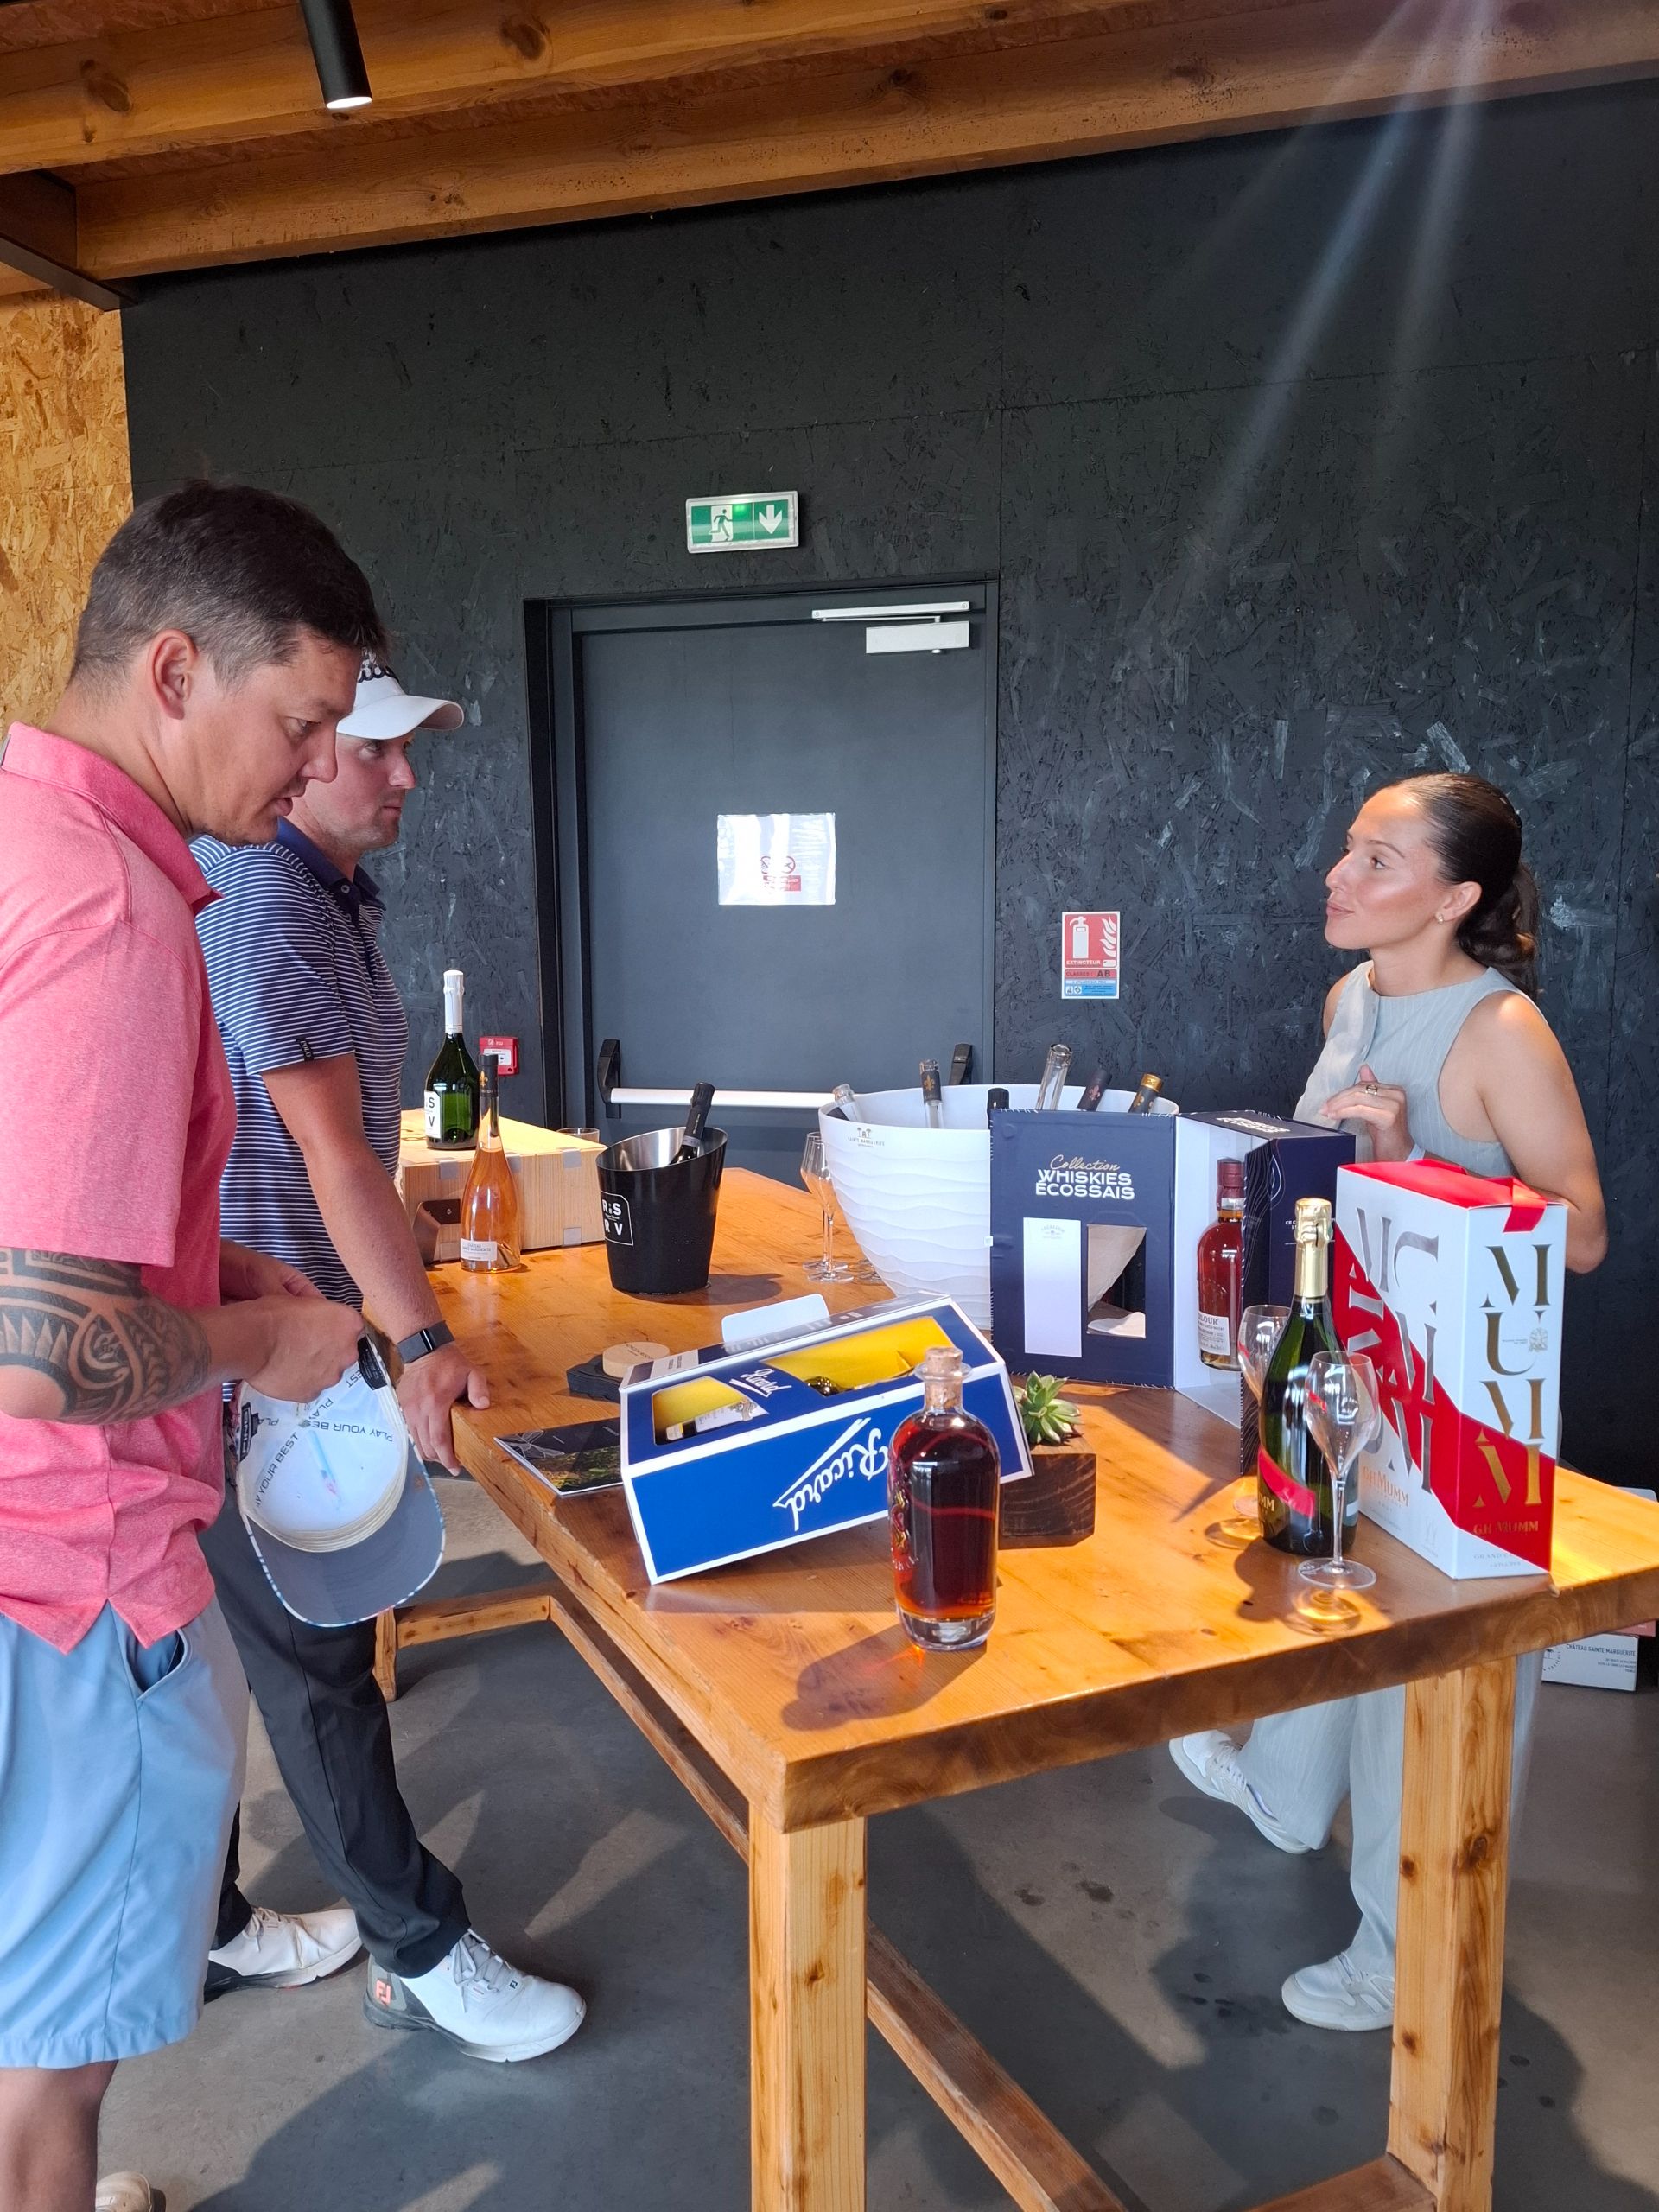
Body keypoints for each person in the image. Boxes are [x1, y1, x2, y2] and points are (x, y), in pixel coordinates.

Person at [0, 484, 375, 2212]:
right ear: (173, 672)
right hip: (69, 1579)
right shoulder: (115, 915)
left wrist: (203, 1259)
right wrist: (256, 1338)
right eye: (301, 721)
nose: (319, 769)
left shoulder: (20, 829)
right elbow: (45, 1346)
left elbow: (49, 1220)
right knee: (46, 2072)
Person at [193, 655, 586, 2064]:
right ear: (301, 753)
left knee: (215, 1664)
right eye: (375, 748)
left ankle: (204, 1925)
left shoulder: (331, 899)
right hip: (245, 1367)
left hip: (286, 1336)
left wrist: (410, 1268)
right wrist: (419, 1341)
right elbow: (330, 1152)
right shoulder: (259, 900)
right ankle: (415, 1953)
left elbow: (356, 1145)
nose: (406, 774)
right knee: (312, 1663)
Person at [1170, 771, 1607, 2031]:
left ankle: (1407, 1954)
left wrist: (1412, 1162)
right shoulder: (1350, 997)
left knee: (1439, 1674)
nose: (1338, 875)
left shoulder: (1500, 1031)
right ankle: (1286, 1795)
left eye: (1377, 859)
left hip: (1465, 1411)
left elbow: (1582, 1235)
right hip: (1350, 1380)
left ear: (1456, 898)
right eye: (1348, 851)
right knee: (1329, 1590)